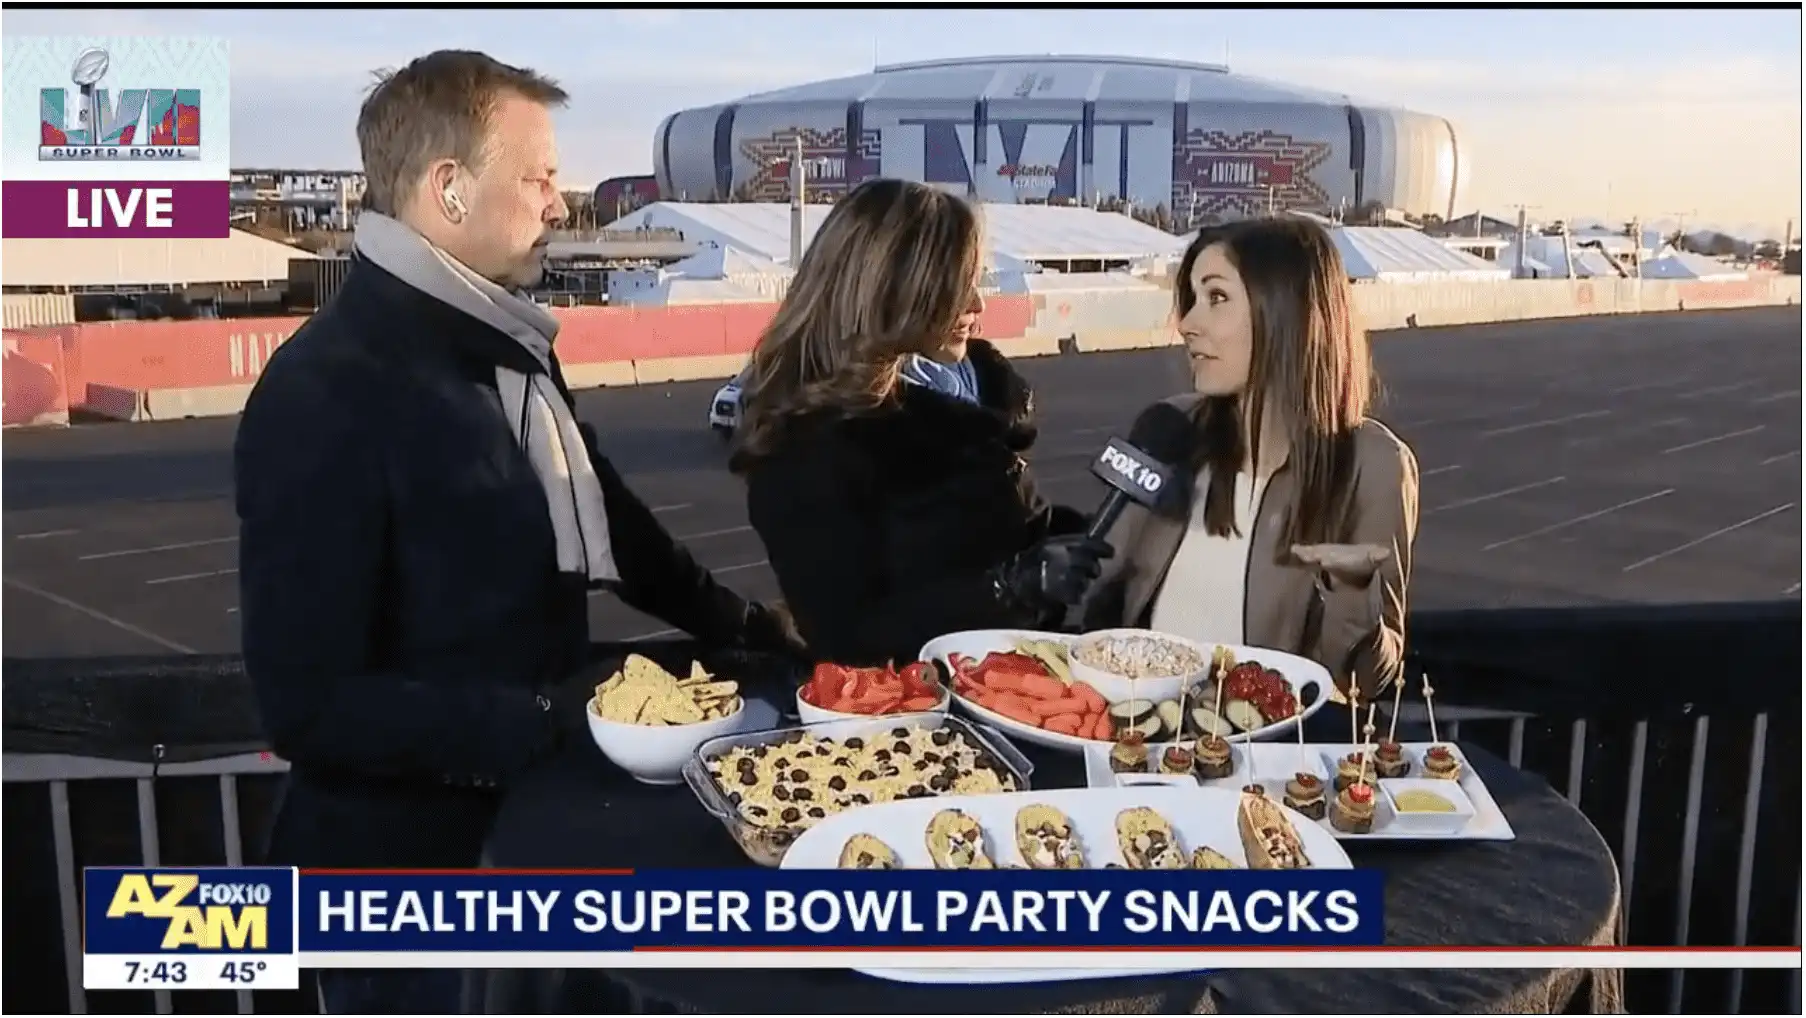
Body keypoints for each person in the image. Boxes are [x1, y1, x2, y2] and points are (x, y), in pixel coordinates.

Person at [233, 51, 792, 1013]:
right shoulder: (325, 392)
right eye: (538, 178)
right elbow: (309, 707)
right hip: (411, 901)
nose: (560, 205)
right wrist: (548, 723)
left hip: (535, 843)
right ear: (449, 190)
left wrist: (742, 624)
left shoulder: (505, 349)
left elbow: (605, 508)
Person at [731, 179, 1108, 667]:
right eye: (954, 287)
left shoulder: (957, 398)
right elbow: (848, 640)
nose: (977, 306)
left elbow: (991, 532)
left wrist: (1092, 537)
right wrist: (1009, 586)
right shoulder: (804, 452)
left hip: (1019, 673)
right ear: (892, 291)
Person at [1079, 216, 1419, 700]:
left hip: (1265, 762)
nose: (1188, 324)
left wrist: (1352, 591)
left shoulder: (1375, 464)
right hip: (1133, 739)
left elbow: (1368, 682)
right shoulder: (1166, 427)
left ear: (1285, 310)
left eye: (1216, 298)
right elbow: (1096, 588)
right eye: (1193, 299)